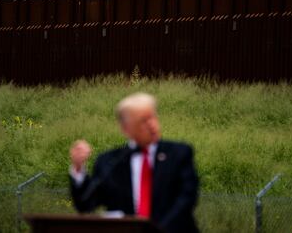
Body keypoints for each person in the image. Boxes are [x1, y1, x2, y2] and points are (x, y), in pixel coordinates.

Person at [69, 92, 199, 233]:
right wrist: (78, 168)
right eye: (143, 120)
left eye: (153, 117)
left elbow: (186, 199)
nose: (152, 125)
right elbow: (85, 204)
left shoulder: (179, 153)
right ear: (126, 129)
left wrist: (158, 230)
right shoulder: (110, 161)